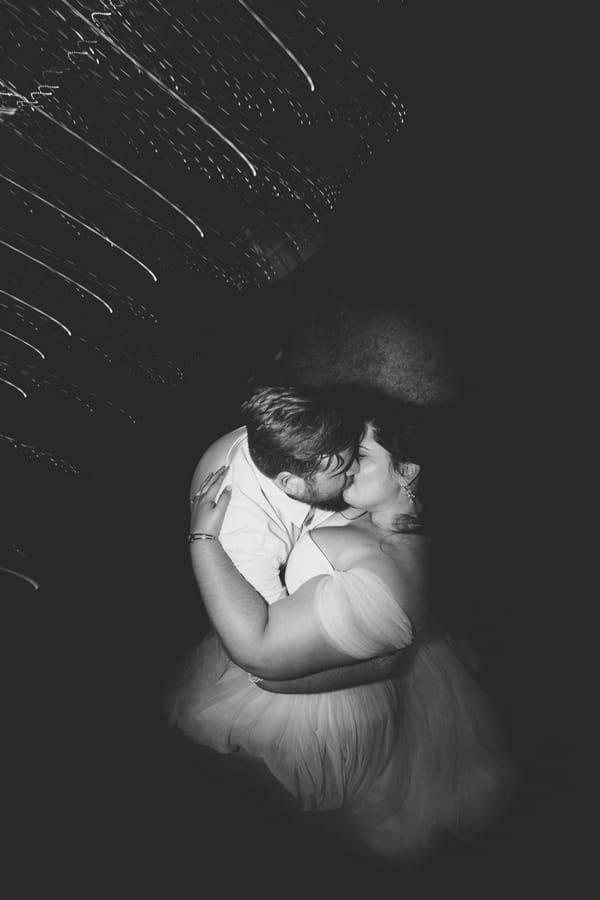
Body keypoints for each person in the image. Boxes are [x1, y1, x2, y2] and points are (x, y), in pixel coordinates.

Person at [168, 397, 516, 860]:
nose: (350, 465)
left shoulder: (382, 576)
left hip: (313, 701)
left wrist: (203, 542)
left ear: (407, 472)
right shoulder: (395, 528)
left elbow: (260, 655)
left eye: (363, 456)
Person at [184, 385, 408, 692]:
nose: (356, 468)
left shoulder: (293, 431)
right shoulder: (245, 539)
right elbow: (264, 665)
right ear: (291, 483)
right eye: (342, 468)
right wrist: (377, 668)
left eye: (354, 454)